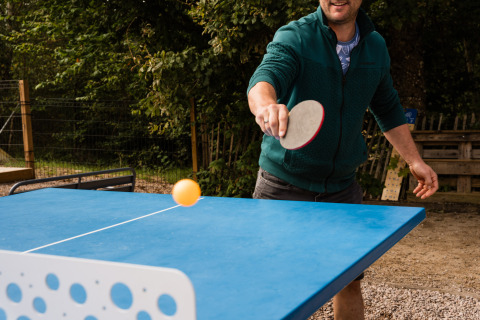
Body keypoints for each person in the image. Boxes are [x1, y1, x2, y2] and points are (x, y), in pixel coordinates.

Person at [247, 1, 439, 319]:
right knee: (274, 286)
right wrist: (266, 105)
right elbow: (265, 78)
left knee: (348, 282)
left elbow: (387, 106)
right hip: (282, 185)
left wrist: (414, 160)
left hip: (341, 189)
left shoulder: (375, 46)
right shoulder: (295, 37)